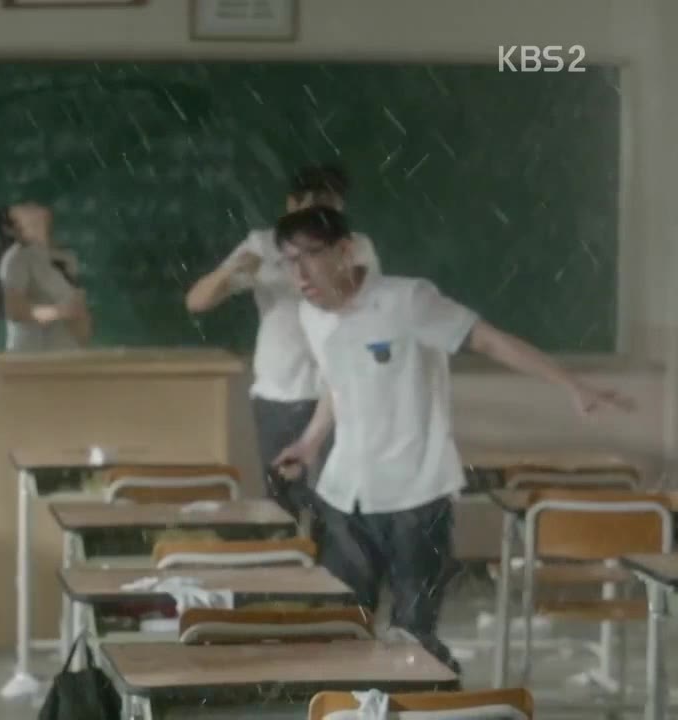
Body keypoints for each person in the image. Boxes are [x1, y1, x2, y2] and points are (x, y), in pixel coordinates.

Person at [271, 206, 631, 672]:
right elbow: (337, 385)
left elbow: (489, 341)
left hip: (416, 494)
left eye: (310, 256)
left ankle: (420, 697)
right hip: (346, 492)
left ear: (345, 251)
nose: (299, 274)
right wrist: (310, 442)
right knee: (341, 628)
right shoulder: (310, 316)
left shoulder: (407, 301)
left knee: (415, 636)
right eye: (288, 261)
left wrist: (573, 386)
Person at [185, 165, 380, 525]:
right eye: (314, 204)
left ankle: (332, 559)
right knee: (283, 502)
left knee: (340, 502)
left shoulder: (354, 246)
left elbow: (364, 303)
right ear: (292, 204)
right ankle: (288, 558)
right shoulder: (262, 245)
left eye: (332, 205)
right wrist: (233, 269)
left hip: (339, 389)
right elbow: (197, 301)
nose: (323, 214)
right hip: (280, 391)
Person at [0, 201, 91, 351]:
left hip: (67, 354)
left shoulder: (65, 256)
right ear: (11, 229)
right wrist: (58, 312)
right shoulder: (16, 259)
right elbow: (14, 310)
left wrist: (80, 328)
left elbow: (77, 308)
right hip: (31, 356)